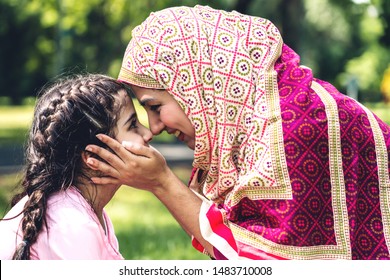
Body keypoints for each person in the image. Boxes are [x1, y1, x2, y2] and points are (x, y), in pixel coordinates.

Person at [85, 5, 390, 260]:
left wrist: (162, 183)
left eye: (155, 106)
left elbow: (258, 266)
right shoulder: (261, 118)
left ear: (195, 84)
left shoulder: (291, 127)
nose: (155, 127)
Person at [0, 73, 153, 260]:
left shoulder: (82, 210)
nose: (148, 133)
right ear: (92, 156)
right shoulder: (70, 224)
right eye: (133, 125)